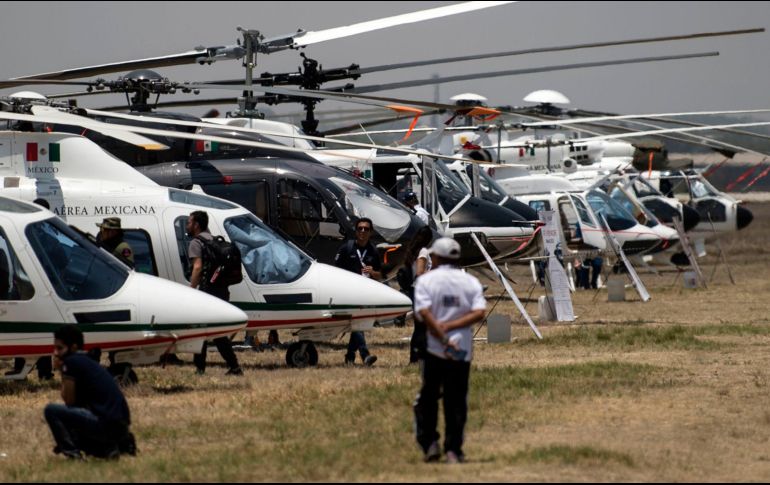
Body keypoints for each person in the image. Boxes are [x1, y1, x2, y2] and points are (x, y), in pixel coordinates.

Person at [413, 237, 486, 464]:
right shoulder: (470, 281)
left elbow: (423, 312)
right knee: (456, 400)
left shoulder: (426, 282)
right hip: (461, 349)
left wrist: (440, 331)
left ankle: (430, 443)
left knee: (428, 397)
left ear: (436, 257)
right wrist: (452, 328)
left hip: (434, 349)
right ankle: (454, 449)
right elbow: (479, 313)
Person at [43, 325, 135, 460]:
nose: (55, 353)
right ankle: (110, 448)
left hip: (105, 424)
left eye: (60, 348)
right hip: (120, 426)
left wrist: (62, 370)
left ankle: (72, 454)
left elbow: (68, 400)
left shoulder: (71, 362)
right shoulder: (88, 362)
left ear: (73, 348)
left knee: (51, 410)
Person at [187, 210, 243, 376]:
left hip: (206, 292)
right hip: (222, 291)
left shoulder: (196, 243)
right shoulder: (213, 240)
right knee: (217, 332)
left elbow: (197, 267)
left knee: (201, 331)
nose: (187, 225)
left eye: (189, 222)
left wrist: (192, 289)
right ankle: (233, 367)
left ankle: (200, 369)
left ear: (196, 225)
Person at [334, 217, 381, 366]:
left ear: (371, 232)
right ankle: (365, 355)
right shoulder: (346, 248)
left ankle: (349, 356)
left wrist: (373, 272)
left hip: (367, 293)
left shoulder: (374, 251)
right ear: (356, 231)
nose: (362, 231)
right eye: (359, 228)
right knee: (358, 323)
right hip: (350, 293)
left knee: (359, 324)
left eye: (366, 229)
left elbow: (380, 274)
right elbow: (334, 270)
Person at [400, 226, 433, 364]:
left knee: (420, 327)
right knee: (422, 327)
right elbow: (420, 273)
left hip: (416, 291)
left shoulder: (413, 251)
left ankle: (417, 357)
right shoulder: (423, 251)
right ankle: (416, 358)